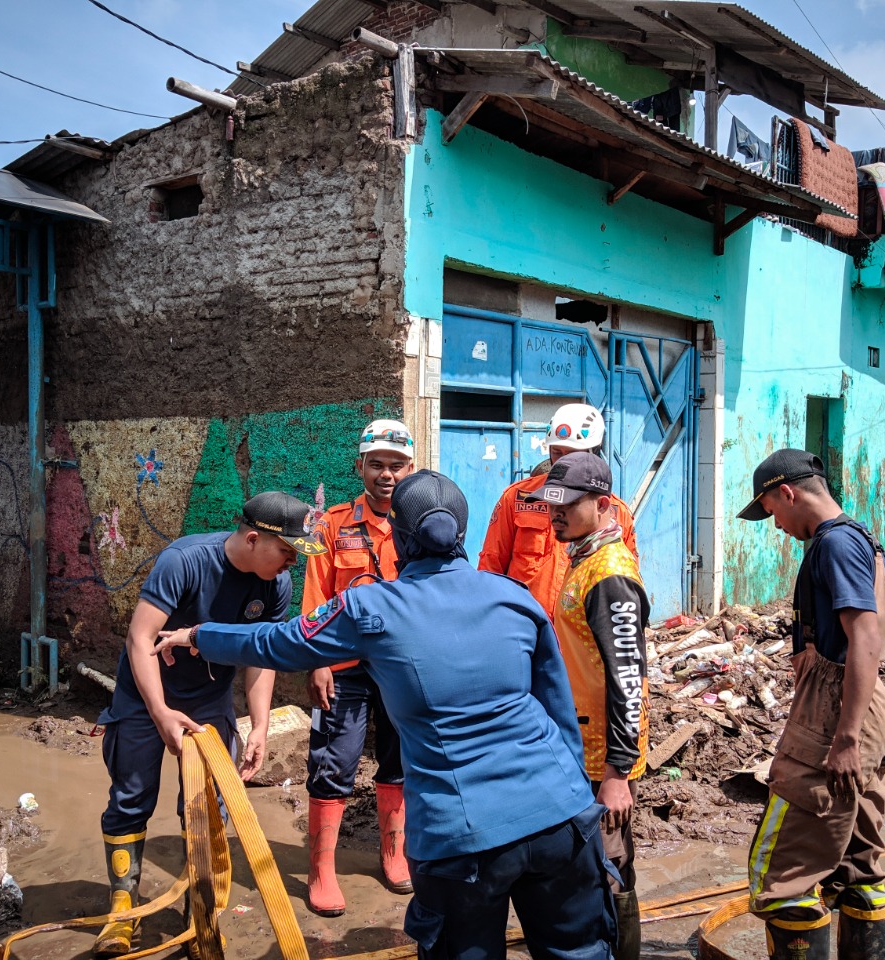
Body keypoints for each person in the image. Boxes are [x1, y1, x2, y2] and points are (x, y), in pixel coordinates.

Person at [154, 471, 616, 960]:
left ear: (398, 537)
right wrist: (575, 796)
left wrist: (199, 635)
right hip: (562, 817)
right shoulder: (515, 597)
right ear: (462, 532)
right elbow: (558, 710)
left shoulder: (371, 607)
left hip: (462, 838)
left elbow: (278, 643)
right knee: (580, 953)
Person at [93, 492, 325, 957]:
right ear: (254, 539)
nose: (291, 563)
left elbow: (261, 656)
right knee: (131, 796)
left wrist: (259, 727)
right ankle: (122, 910)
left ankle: (199, 912)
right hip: (144, 695)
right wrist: (159, 711)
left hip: (209, 700)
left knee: (206, 806)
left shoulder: (275, 584)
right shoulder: (183, 561)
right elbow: (139, 638)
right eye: (286, 551)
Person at [737, 449, 885, 960]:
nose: (776, 525)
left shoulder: (833, 544)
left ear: (788, 493)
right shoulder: (861, 537)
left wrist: (846, 737)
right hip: (872, 704)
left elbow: (864, 637)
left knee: (780, 872)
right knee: (858, 865)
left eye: (772, 511)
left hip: (839, 710)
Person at [530, 452, 650, 960]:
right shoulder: (583, 558)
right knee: (593, 868)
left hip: (603, 757)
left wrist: (617, 774)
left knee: (609, 869)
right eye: (550, 504)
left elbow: (629, 679)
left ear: (602, 504)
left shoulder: (609, 575)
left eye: (566, 505)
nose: (554, 514)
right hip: (582, 744)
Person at [300, 418, 416, 915]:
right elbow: (314, 597)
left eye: (397, 465)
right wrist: (317, 661)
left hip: (401, 665)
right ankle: (321, 871)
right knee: (334, 762)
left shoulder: (420, 522)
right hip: (343, 664)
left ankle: (394, 854)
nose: (386, 474)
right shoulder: (330, 524)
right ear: (360, 467)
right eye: (377, 465)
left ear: (411, 469)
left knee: (400, 759)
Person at [479, 403, 637, 620]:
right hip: (524, 628)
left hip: (579, 634)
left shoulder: (616, 513)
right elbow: (491, 567)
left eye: (572, 454)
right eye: (557, 452)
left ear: (594, 453)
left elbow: (628, 585)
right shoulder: (517, 498)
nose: (563, 462)